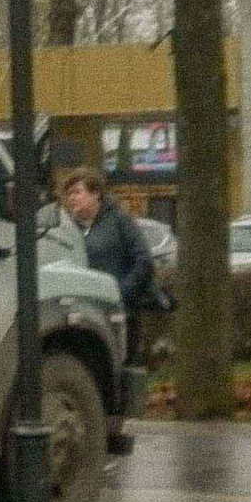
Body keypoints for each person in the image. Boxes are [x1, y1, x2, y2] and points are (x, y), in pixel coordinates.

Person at [61, 166, 155, 456]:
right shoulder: (71, 229)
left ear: (96, 194)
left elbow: (144, 261)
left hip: (118, 312)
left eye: (77, 192)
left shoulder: (119, 222)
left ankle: (117, 436)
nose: (72, 200)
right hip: (87, 314)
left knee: (119, 373)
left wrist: (121, 294)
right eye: (69, 194)